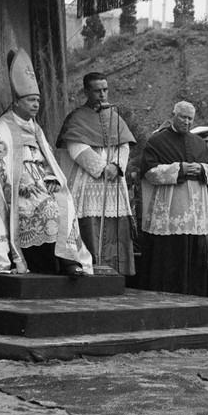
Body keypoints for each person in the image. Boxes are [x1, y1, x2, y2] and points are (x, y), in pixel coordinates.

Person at [0, 49, 93, 277]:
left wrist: (51, 179)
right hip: (17, 191)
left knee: (66, 203)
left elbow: (47, 161)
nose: (35, 105)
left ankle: (68, 261)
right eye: (31, 100)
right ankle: (47, 263)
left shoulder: (36, 128)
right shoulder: (1, 129)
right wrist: (20, 185)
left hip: (42, 185)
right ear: (16, 102)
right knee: (48, 209)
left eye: (38, 101)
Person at [56, 71, 136, 275]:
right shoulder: (77, 117)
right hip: (89, 181)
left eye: (105, 89)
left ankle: (117, 274)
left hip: (114, 183)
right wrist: (102, 168)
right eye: (97, 90)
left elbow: (124, 145)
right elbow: (76, 147)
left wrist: (116, 166)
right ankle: (91, 271)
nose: (102, 94)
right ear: (86, 91)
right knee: (90, 225)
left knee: (115, 226)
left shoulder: (115, 116)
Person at [137, 101, 208, 295]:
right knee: (169, 256)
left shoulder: (199, 143)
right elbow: (149, 172)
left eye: (190, 118)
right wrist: (179, 169)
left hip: (194, 214)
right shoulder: (157, 141)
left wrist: (202, 168)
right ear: (173, 115)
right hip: (170, 210)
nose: (187, 122)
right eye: (183, 117)